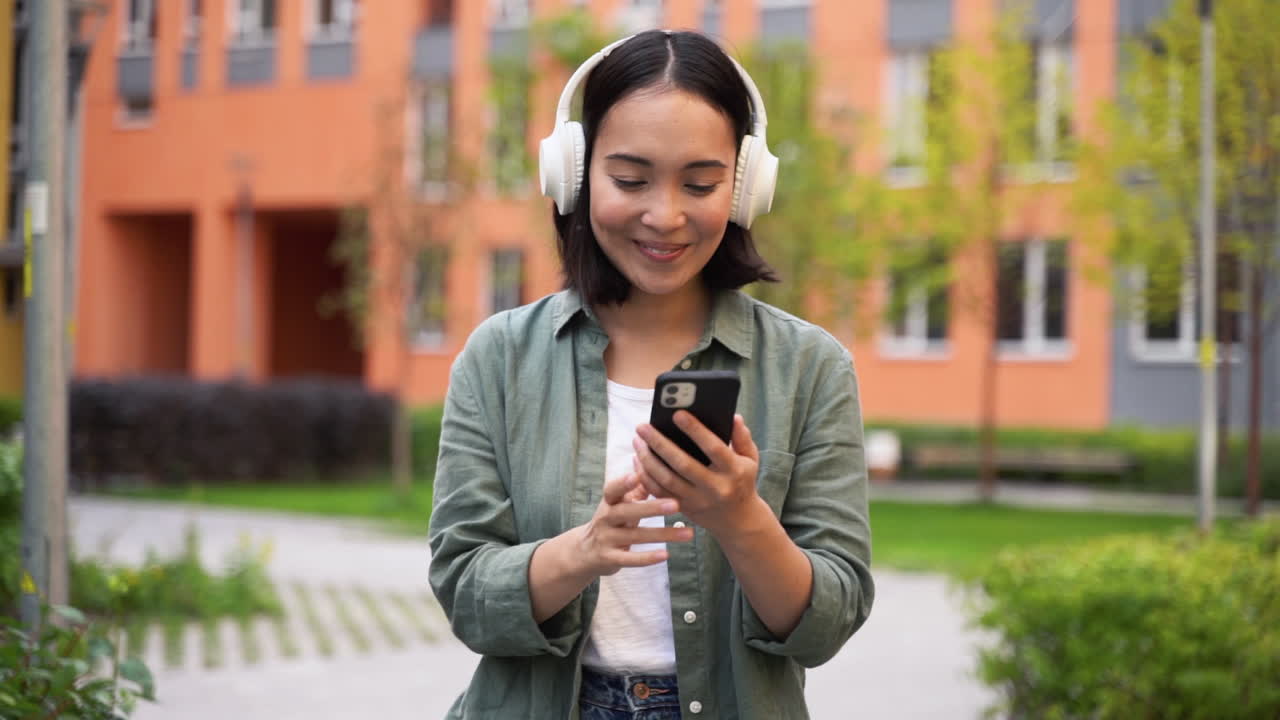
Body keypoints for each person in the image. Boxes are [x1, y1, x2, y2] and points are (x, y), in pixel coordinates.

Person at [428, 29, 873, 720]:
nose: (665, 216)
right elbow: (465, 596)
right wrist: (586, 549)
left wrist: (740, 519)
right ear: (573, 174)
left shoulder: (810, 368)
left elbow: (827, 624)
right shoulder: (499, 358)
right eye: (630, 179)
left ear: (745, 186)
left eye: (700, 184)